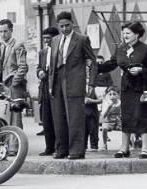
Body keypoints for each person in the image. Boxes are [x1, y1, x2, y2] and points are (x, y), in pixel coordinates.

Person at [98, 21, 147, 159]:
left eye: (128, 33)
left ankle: (145, 148)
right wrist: (96, 66)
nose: (125, 35)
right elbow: (111, 64)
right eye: (124, 33)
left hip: (142, 87)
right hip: (126, 87)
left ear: (137, 34)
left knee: (143, 116)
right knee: (126, 116)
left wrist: (141, 70)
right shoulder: (120, 49)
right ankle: (124, 148)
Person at [49, 11, 97, 160]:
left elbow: (93, 62)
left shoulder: (82, 39)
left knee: (75, 117)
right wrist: (51, 83)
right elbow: (52, 63)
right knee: (58, 116)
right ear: (58, 26)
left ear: (72, 24)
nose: (65, 29)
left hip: (75, 80)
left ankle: (76, 151)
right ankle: (62, 149)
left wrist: (91, 83)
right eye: (61, 26)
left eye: (67, 25)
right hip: (57, 80)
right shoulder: (55, 40)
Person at [0, 18, 28, 128]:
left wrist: (14, 82)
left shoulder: (17, 45)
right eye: (0, 31)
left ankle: (17, 144)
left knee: (15, 117)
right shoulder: (1, 46)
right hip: (4, 86)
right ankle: (8, 143)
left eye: (5, 31)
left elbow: (23, 67)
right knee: (5, 116)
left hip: (14, 85)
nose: (3, 34)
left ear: (11, 30)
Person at [100, 86, 121, 150]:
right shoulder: (106, 103)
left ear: (118, 95)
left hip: (118, 122)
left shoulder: (120, 103)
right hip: (109, 122)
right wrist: (108, 108)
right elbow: (103, 116)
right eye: (110, 94)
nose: (112, 96)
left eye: (114, 94)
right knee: (104, 128)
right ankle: (104, 144)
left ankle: (130, 144)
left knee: (127, 127)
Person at [84, 87, 102, 152]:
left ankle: (94, 147)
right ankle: (83, 147)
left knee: (93, 130)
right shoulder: (79, 87)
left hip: (93, 113)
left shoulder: (95, 89)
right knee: (83, 132)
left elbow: (101, 100)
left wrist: (91, 100)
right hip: (82, 113)